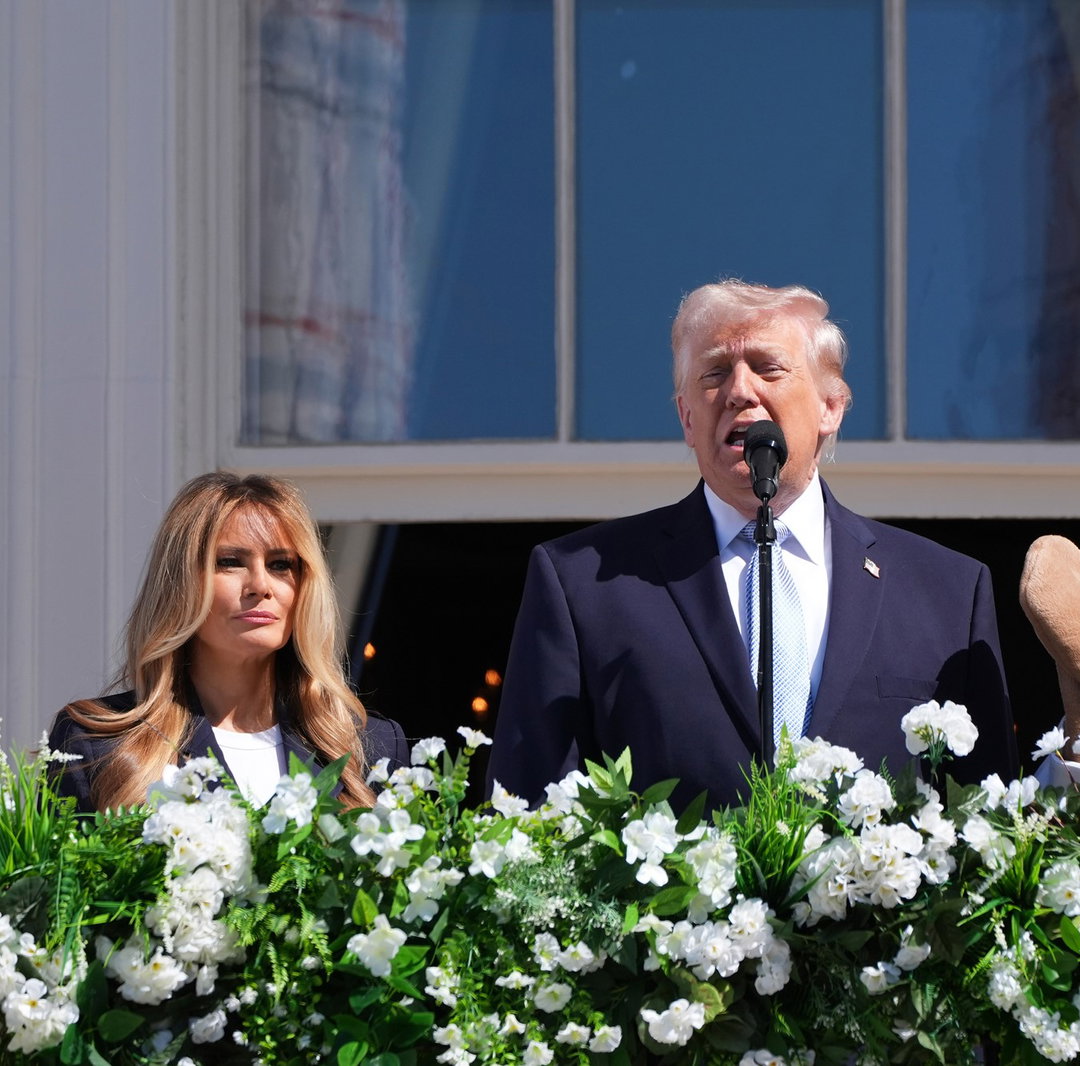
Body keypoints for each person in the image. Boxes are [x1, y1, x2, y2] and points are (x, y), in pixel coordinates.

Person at [489, 281, 1015, 809]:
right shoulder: (583, 583)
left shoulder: (945, 592)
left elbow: (990, 825)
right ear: (687, 419)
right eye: (715, 373)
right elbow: (530, 814)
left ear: (831, 406)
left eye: (769, 368)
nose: (740, 390)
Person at [48, 472, 410, 811]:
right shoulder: (95, 743)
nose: (261, 586)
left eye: (281, 564)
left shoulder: (370, 749)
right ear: (180, 583)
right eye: (230, 562)